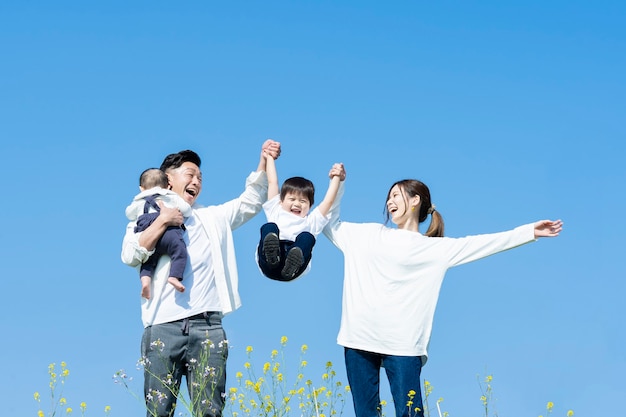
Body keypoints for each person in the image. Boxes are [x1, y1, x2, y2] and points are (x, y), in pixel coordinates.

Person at [322, 168, 563, 417]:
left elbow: (482, 244)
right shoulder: (368, 235)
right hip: (358, 338)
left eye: (396, 195)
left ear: (415, 200)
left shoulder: (435, 249)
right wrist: (338, 184)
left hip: (403, 344)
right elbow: (327, 222)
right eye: (388, 197)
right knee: (365, 413)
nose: (389, 201)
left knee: (411, 414)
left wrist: (528, 232)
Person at [121, 140, 281, 417]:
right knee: (158, 411)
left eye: (200, 178)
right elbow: (130, 254)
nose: (196, 181)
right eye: (190, 174)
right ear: (167, 180)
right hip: (161, 326)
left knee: (210, 411)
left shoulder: (212, 217)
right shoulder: (144, 216)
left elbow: (252, 200)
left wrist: (263, 161)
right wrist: (163, 220)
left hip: (208, 327)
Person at [257, 151, 343, 281]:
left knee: (306, 237)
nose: (297, 204)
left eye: (303, 201)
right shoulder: (276, 210)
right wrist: (270, 156)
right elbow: (272, 182)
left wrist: (337, 177)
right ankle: (271, 253)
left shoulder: (311, 221)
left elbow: (328, 202)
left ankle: (294, 260)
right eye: (292, 199)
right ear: (281, 201)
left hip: (294, 268)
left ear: (310, 206)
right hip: (268, 264)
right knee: (270, 227)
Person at [125, 168, 192, 299]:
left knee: (148, 261)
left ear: (141, 188)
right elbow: (186, 210)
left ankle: (145, 282)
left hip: (148, 231)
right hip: (169, 233)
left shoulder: (139, 201)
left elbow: (129, 214)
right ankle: (174, 276)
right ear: (168, 185)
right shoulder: (170, 196)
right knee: (179, 251)